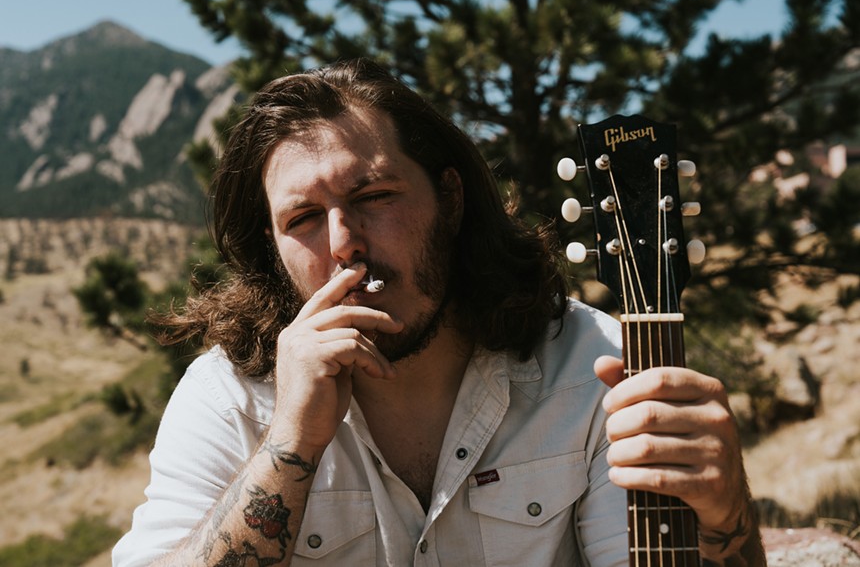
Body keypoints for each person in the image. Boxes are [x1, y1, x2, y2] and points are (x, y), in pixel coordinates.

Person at [113, 58, 765, 566]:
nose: (343, 245)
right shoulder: (227, 397)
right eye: (304, 219)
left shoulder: (595, 366)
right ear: (273, 250)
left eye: (374, 194)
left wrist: (727, 516)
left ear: (450, 199)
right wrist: (289, 444)